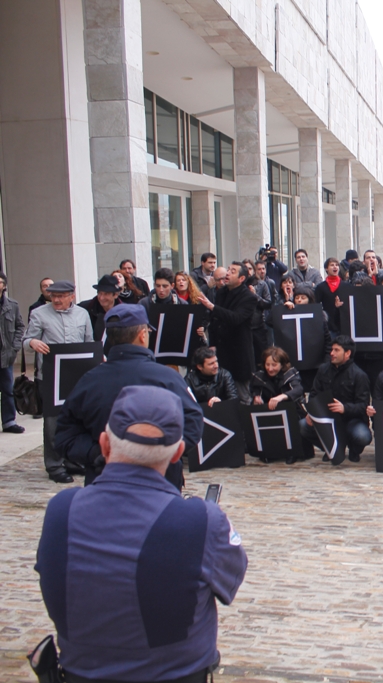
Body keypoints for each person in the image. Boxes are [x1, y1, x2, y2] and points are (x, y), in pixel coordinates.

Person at [37, 385, 246, 683]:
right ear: (177, 454)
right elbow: (231, 581)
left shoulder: (61, 510)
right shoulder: (201, 520)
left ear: (105, 445)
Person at [54, 304, 203, 489]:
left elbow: (65, 436)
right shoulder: (168, 378)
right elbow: (193, 422)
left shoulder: (89, 381)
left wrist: (99, 453)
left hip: (105, 482)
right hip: (160, 483)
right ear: (142, 335)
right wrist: (158, 452)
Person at [23, 280, 93, 483]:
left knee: (76, 419)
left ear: (72, 296)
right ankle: (54, 464)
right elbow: (27, 340)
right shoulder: (39, 314)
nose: (56, 299)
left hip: (77, 375)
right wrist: (33, 342)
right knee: (53, 422)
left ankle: (72, 459)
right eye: (53, 296)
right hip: (50, 375)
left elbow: (89, 342)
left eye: (61, 296)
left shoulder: (82, 314)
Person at [303, 334, 372, 465]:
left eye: (336, 350)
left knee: (362, 436)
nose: (332, 353)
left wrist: (344, 408)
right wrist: (311, 413)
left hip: (352, 420)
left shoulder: (359, 375)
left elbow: (363, 405)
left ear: (347, 353)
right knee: (303, 426)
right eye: (332, 350)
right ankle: (330, 449)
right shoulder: (323, 369)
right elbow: (314, 393)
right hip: (327, 419)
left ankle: (354, 450)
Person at [200, 262, 258, 401]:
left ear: (241, 278)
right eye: (228, 269)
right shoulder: (221, 292)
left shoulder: (249, 297)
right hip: (222, 351)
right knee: (223, 395)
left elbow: (236, 318)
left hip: (239, 353)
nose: (227, 273)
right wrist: (212, 343)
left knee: (242, 396)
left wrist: (212, 307)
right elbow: (215, 320)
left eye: (232, 271)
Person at [251, 346, 311, 464]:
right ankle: (271, 451)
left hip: (293, 413)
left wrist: (281, 397)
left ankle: (293, 452)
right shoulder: (259, 376)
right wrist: (256, 400)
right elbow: (255, 393)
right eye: (268, 365)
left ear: (282, 364)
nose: (270, 368)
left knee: (296, 424)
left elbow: (298, 389)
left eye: (274, 365)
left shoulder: (290, 374)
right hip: (271, 414)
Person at [0, 272, 25, 435]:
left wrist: (14, 347)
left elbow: (20, 327)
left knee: (7, 389)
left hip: (5, 356)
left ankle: (9, 421)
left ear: (4, 285)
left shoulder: (12, 305)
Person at [79, 274, 121, 341]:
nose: (101, 298)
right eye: (99, 293)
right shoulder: (85, 308)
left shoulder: (124, 312)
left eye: (106, 294)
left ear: (115, 295)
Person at [314, 257, 346, 334]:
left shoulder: (346, 285)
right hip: (328, 324)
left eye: (337, 265)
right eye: (332, 265)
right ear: (326, 269)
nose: (335, 267)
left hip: (343, 323)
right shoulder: (321, 287)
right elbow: (315, 305)